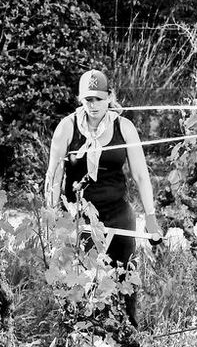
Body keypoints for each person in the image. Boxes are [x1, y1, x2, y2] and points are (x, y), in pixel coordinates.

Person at [44, 69, 162, 324]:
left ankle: (128, 345)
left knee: (125, 281)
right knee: (85, 287)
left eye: (98, 99)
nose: (93, 105)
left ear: (109, 97)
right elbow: (53, 176)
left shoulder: (124, 127)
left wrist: (150, 218)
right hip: (80, 220)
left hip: (118, 216)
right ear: (80, 99)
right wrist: (53, 216)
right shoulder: (67, 128)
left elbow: (141, 176)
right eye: (88, 99)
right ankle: (83, 345)